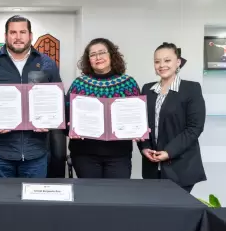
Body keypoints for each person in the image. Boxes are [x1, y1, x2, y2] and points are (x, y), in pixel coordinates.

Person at [0, 15, 62, 178]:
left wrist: (51, 121)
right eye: (13, 32)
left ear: (31, 35)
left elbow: (58, 101)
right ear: (6, 36)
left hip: (36, 154)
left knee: (33, 203)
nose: (18, 37)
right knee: (0, 201)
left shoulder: (47, 64)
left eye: (22, 32)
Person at [66, 38, 140, 179]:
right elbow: (66, 116)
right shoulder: (79, 84)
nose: (98, 57)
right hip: (84, 154)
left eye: (102, 53)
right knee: (90, 197)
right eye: (93, 54)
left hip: (118, 154)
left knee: (116, 198)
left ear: (111, 55)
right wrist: (70, 129)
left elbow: (137, 115)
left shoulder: (129, 83)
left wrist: (139, 129)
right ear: (88, 60)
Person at [138, 42, 206, 193]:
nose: (162, 65)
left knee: (176, 215)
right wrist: (144, 148)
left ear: (178, 62)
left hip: (181, 167)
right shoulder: (147, 89)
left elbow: (194, 128)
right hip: (152, 168)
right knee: (155, 214)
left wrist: (168, 152)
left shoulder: (191, 89)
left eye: (167, 60)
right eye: (157, 61)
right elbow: (140, 124)